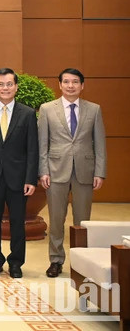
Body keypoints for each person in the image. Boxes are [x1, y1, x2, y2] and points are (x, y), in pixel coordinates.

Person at [38, 68, 106, 278]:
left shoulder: (94, 109)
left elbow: (100, 143)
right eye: (66, 82)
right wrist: (43, 170)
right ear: (59, 85)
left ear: (82, 85)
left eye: (75, 82)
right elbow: (43, 143)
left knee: (83, 221)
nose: (70, 86)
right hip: (56, 170)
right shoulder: (47, 109)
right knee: (56, 219)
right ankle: (56, 260)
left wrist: (100, 172)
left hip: (85, 171)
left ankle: (82, 262)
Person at [0, 68, 39, 279]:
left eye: (9, 84)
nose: (5, 88)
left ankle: (16, 262)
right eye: (1, 84)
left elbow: (32, 149)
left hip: (18, 178)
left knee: (18, 222)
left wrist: (30, 179)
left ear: (16, 87)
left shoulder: (27, 113)